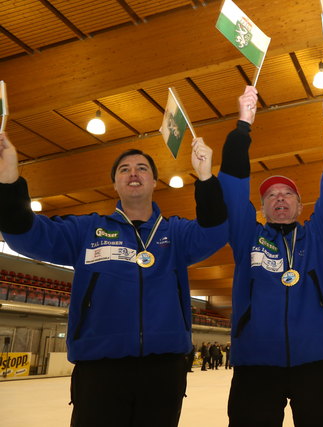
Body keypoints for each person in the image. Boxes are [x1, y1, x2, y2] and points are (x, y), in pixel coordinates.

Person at [0, 133, 228, 427]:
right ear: (115, 184)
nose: (133, 172)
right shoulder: (87, 230)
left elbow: (215, 233)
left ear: (154, 182)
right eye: (124, 169)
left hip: (164, 370)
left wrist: (207, 178)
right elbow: (27, 236)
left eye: (142, 168)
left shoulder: (177, 234)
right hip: (100, 369)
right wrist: (8, 182)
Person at [218, 84, 323, 426]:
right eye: (272, 195)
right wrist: (242, 127)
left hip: (318, 358)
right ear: (261, 208)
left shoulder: (319, 236)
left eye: (287, 193)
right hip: (256, 361)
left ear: (299, 204)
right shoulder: (247, 236)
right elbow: (231, 194)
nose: (280, 198)